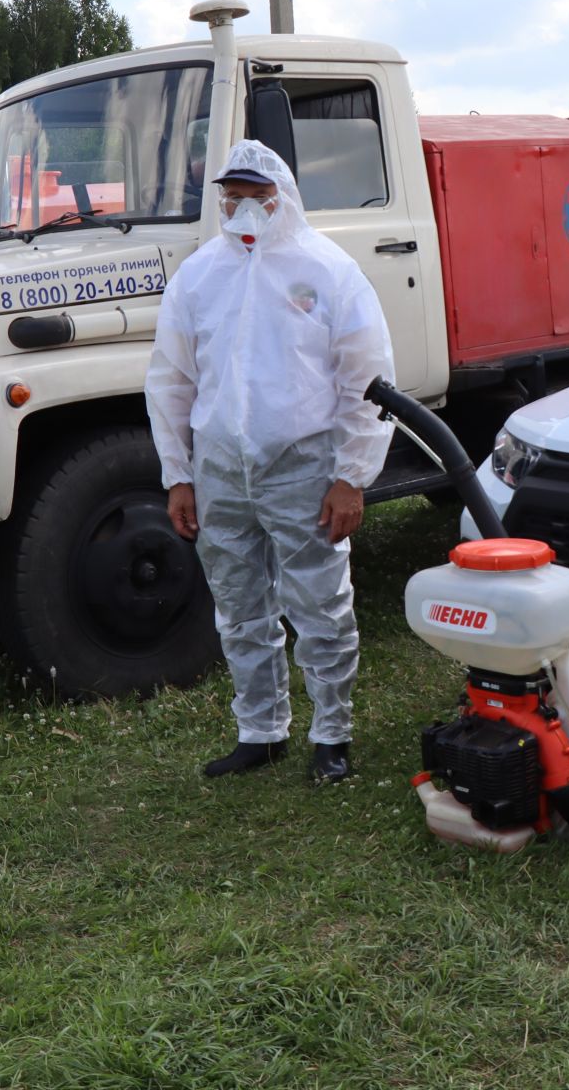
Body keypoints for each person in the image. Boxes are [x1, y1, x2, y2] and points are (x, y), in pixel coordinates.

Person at [145, 139, 394, 785]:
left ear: (282, 198)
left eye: (258, 198)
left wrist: (351, 477)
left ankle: (331, 736)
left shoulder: (327, 270)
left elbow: (365, 379)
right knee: (238, 605)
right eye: (233, 198)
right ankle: (261, 731)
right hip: (221, 468)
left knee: (319, 604)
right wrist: (178, 473)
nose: (245, 210)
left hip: (303, 465)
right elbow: (171, 379)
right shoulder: (200, 274)